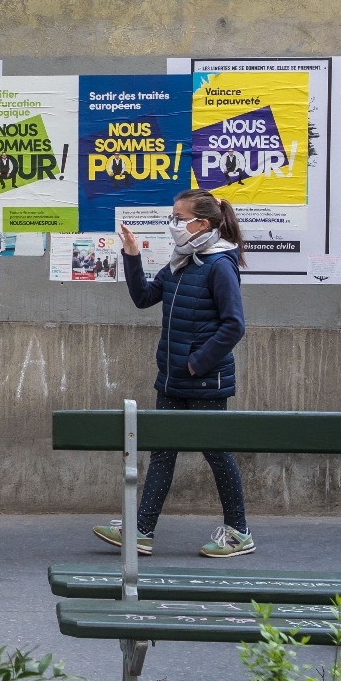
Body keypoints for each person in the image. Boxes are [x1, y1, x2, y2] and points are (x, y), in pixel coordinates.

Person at [94, 188, 254, 558]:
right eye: (173, 217)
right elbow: (144, 297)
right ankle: (141, 531)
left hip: (204, 381)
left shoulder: (219, 264)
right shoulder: (182, 260)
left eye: (179, 218)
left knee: (217, 454)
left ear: (203, 223)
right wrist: (132, 257)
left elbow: (234, 325)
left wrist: (196, 363)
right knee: (163, 454)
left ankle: (239, 532)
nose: (174, 225)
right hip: (171, 379)